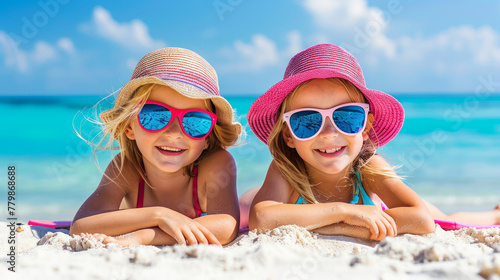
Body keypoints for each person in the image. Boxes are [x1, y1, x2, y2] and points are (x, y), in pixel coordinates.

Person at [244, 44, 500, 240]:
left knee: (446, 219)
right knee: (245, 205)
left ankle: (494, 213)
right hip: (349, 209)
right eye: (307, 121)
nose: (328, 133)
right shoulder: (286, 170)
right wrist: (345, 213)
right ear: (288, 135)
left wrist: (339, 226)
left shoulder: (370, 168)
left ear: (365, 127)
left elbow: (422, 219)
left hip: (381, 206)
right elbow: (261, 217)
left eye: (346, 117)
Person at [70, 47, 242, 247]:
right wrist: (159, 215)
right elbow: (82, 225)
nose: (174, 132)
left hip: (241, 206)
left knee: (249, 204)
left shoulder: (216, 163)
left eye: (196, 122)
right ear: (129, 126)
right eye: (155, 116)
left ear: (208, 138)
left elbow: (227, 226)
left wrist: (146, 236)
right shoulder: (127, 167)